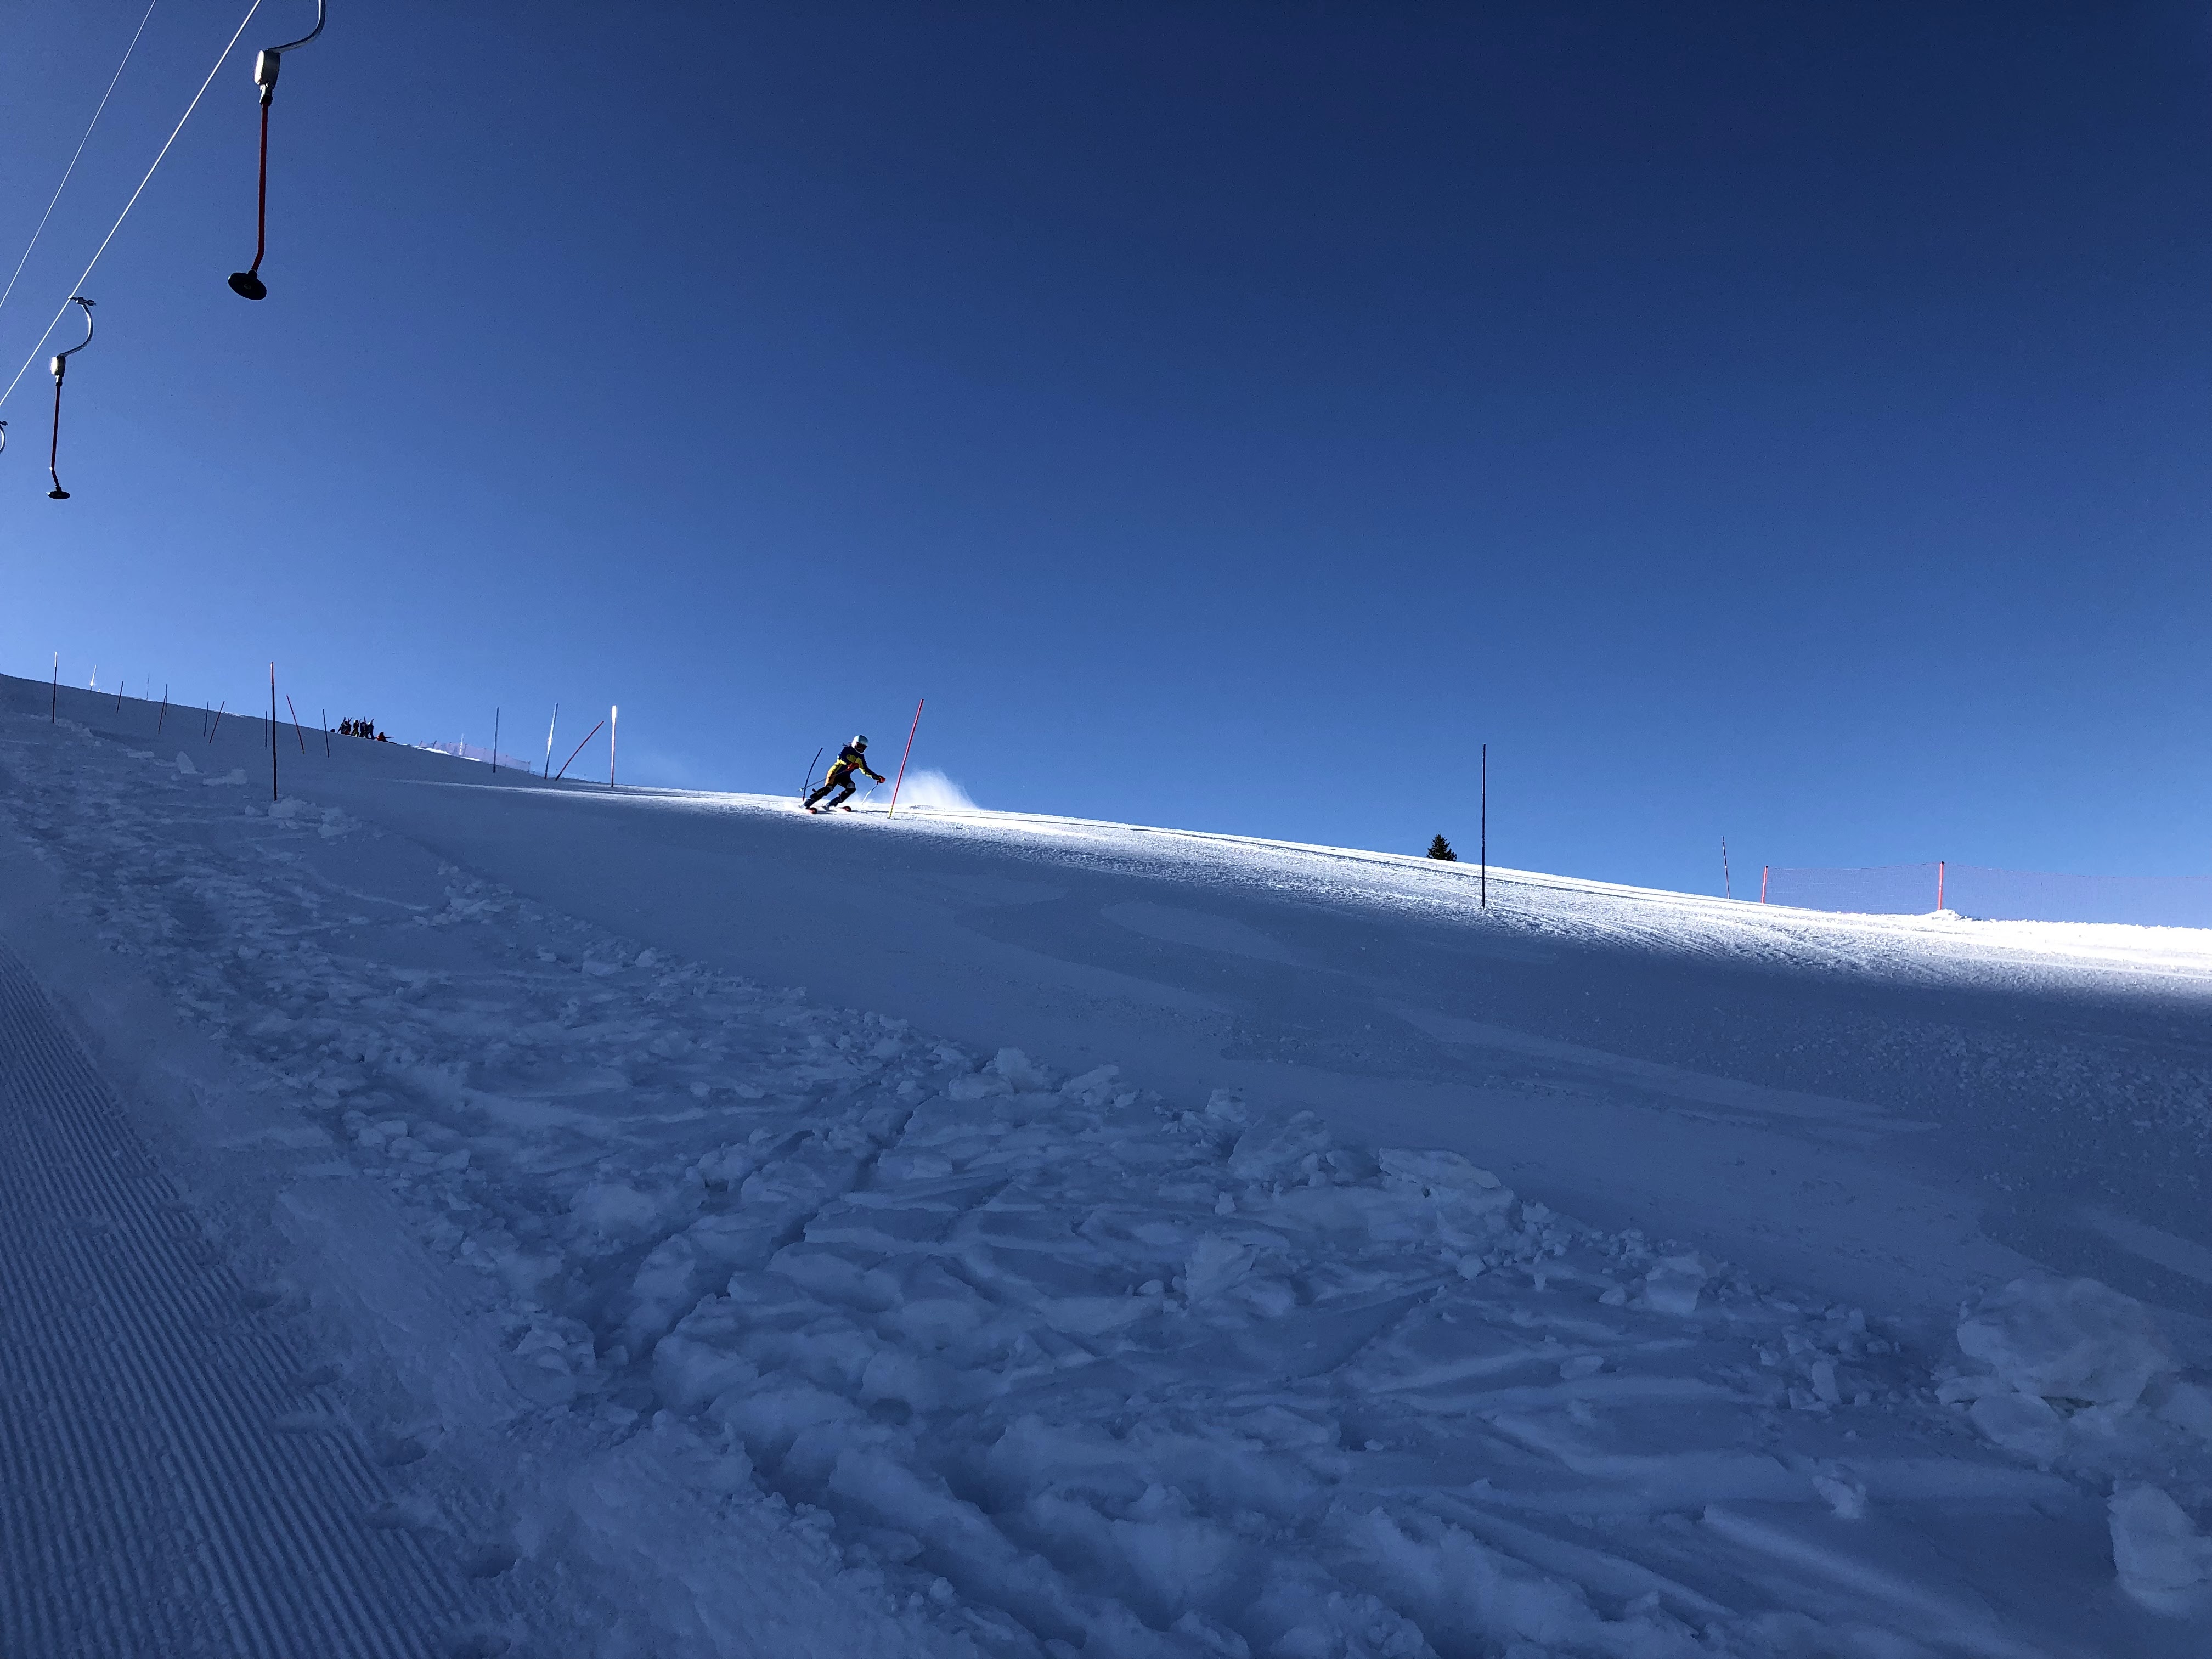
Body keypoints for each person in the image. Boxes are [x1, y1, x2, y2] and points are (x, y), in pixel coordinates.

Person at [804, 735, 884, 811]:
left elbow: (865, 770)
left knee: (851, 787)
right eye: (859, 746)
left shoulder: (861, 757)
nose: (861, 749)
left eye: (864, 748)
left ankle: (832, 804)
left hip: (845, 777)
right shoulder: (847, 750)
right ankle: (808, 803)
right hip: (835, 773)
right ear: (854, 743)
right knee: (829, 788)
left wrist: (877, 777)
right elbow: (841, 757)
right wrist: (849, 764)